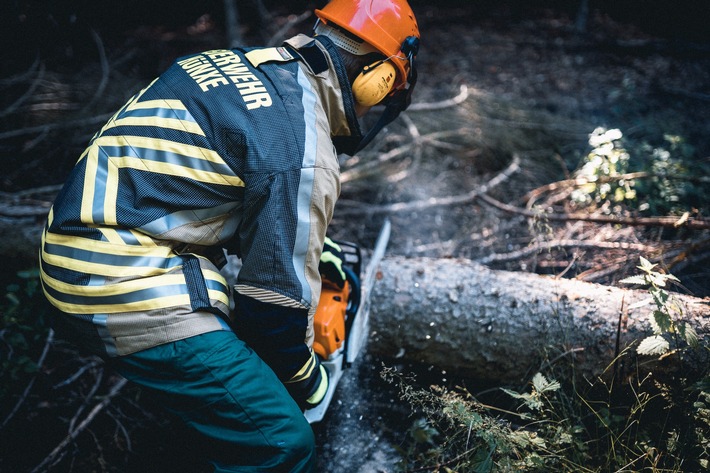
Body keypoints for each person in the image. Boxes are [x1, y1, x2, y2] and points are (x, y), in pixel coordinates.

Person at [39, 0, 420, 471]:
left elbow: (206, 182)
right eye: (386, 88)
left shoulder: (237, 65)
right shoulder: (304, 150)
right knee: (281, 443)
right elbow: (271, 311)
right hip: (121, 287)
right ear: (376, 77)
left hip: (71, 251)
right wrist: (311, 381)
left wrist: (316, 252)